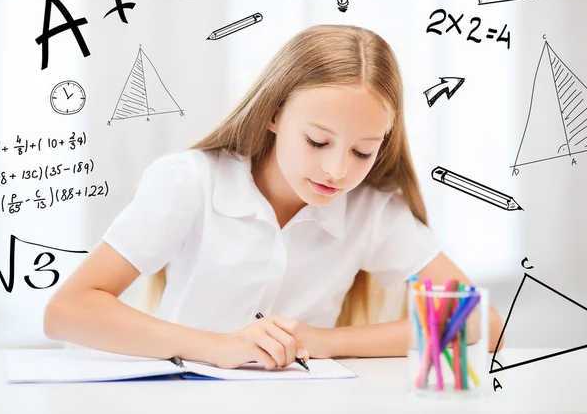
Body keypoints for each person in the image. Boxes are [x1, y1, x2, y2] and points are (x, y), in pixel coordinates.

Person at [43, 24, 504, 371]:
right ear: (275, 114)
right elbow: (66, 312)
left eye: (363, 151)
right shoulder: (190, 181)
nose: (337, 171)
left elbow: (484, 323)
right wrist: (219, 346)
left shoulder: (372, 210)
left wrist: (324, 341)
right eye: (318, 142)